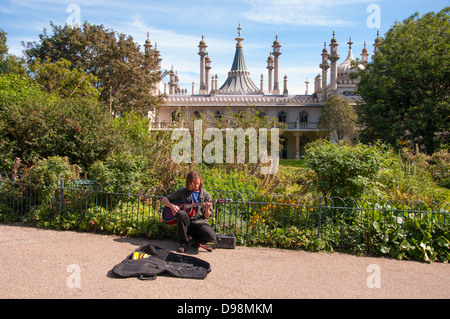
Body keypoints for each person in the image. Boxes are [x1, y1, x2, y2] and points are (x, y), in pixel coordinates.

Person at [161, 171, 216, 253]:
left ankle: (195, 240)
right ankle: (183, 243)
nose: (196, 186)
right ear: (188, 183)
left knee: (211, 236)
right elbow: (164, 199)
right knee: (181, 213)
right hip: (186, 222)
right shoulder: (182, 192)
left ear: (200, 181)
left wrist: (207, 208)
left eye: (197, 183)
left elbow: (207, 216)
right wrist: (171, 206)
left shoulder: (206, 195)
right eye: (193, 184)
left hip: (199, 222)